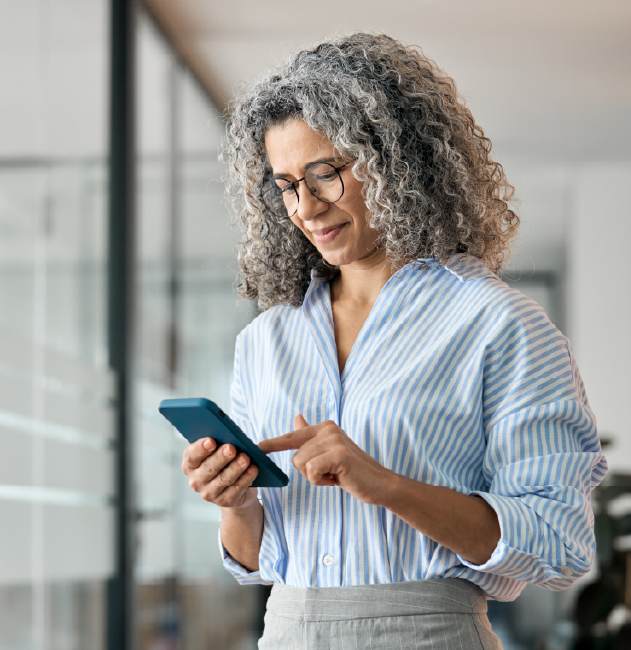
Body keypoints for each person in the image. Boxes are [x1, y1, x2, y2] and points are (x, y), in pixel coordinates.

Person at [180, 32, 607, 649]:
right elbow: (256, 561)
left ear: (396, 161)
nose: (305, 206)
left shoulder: (498, 324)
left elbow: (557, 545)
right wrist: (235, 502)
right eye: (286, 185)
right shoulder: (265, 340)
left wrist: (387, 485)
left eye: (325, 173)